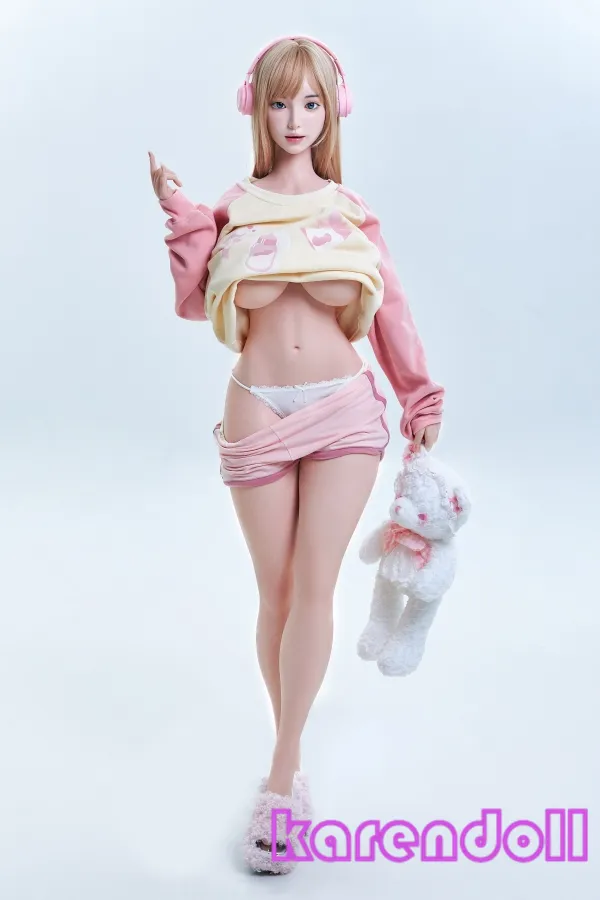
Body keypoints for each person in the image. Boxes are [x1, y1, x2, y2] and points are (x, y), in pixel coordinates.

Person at [149, 34, 445, 875]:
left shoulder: (350, 212)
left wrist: (420, 396)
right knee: (275, 593)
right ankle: (292, 758)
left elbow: (391, 313)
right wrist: (181, 214)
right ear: (257, 108)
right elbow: (193, 301)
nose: (294, 118)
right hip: (256, 407)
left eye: (310, 102)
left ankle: (282, 778)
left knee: (314, 586)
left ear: (332, 110)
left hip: (344, 410)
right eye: (280, 101)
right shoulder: (232, 209)